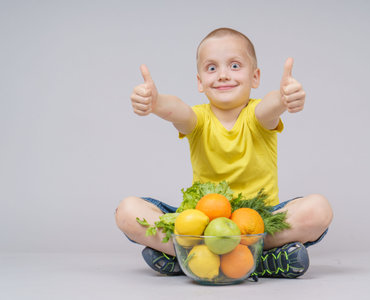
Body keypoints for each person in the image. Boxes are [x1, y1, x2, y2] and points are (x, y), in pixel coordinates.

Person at [115, 27, 333, 278]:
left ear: (255, 77)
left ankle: (195, 257)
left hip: (257, 223)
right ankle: (256, 260)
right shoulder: (198, 119)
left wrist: (284, 99)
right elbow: (178, 110)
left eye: (235, 66)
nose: (222, 75)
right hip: (201, 224)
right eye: (211, 68)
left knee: (319, 210)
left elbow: (270, 107)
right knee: (127, 211)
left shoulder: (257, 116)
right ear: (199, 82)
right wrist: (156, 103)